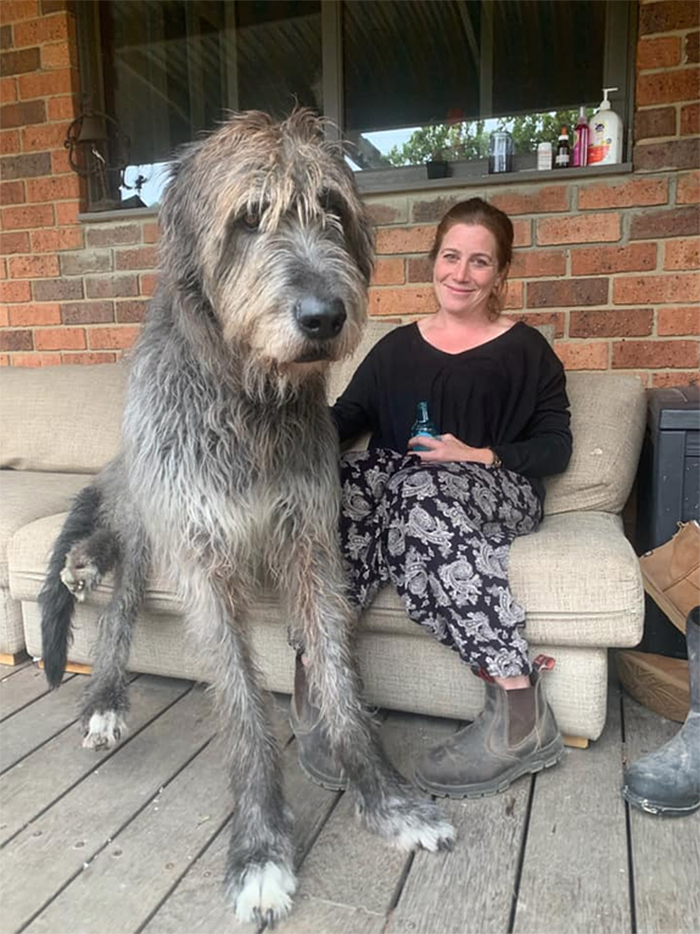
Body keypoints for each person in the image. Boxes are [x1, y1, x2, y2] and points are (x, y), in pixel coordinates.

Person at [291, 197, 573, 798]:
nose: (461, 274)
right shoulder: (396, 348)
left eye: (479, 262)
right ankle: (318, 677)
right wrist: (280, 431)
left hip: (496, 486)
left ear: (501, 273)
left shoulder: (528, 352)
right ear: (433, 261)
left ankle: (519, 713)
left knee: (413, 489)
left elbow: (555, 448)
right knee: (344, 482)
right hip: (407, 490)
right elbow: (346, 418)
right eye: (451, 256)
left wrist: (476, 454)